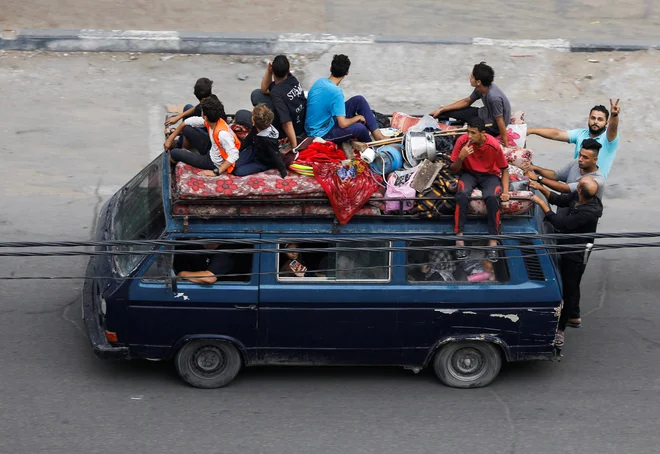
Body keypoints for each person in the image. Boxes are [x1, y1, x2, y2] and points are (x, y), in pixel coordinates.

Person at [530, 177, 603, 345]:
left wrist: (541, 203)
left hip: (574, 254)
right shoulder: (580, 197)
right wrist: (538, 186)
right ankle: (574, 316)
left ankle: (560, 330)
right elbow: (559, 199)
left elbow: (562, 224)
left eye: (577, 187)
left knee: (569, 290)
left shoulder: (588, 212)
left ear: (580, 191)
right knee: (566, 284)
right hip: (564, 247)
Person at [450, 117, 510, 262]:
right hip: (469, 173)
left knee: (492, 197)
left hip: (489, 175)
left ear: (482, 133)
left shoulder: (493, 145)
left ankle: (493, 240)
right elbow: (453, 169)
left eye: (473, 133)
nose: (469, 136)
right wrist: (461, 158)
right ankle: (459, 239)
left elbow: (505, 169)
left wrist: (506, 191)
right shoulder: (462, 141)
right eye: (468, 132)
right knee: (462, 194)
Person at [526, 100, 620, 179]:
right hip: (573, 182)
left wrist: (614, 116)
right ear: (588, 118)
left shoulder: (609, 139)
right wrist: (530, 130)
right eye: (593, 118)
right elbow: (556, 134)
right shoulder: (580, 134)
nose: (595, 122)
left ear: (606, 122)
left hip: (591, 189)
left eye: (600, 119)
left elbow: (613, 129)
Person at [304, 54, 386, 144]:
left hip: (326, 122)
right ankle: (372, 148)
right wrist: (357, 118)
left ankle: (379, 136)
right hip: (321, 134)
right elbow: (343, 124)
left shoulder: (320, 81)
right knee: (360, 128)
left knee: (359, 100)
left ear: (331, 68)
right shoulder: (336, 93)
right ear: (347, 72)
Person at [430, 62, 511, 147]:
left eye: (472, 77)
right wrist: (442, 109)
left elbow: (500, 120)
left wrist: (506, 144)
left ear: (478, 82)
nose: (469, 78)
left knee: (459, 139)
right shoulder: (480, 88)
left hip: (491, 126)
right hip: (482, 113)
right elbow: (467, 101)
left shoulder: (494, 97)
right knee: (445, 112)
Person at [164, 97, 240, 177]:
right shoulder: (215, 121)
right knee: (187, 129)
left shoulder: (223, 134)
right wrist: (171, 138)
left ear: (205, 116)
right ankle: (184, 152)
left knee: (174, 153)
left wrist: (216, 172)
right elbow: (188, 122)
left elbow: (234, 155)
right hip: (212, 149)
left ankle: (174, 168)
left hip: (212, 162)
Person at [251, 55, 307, 148]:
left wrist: (294, 146)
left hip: (293, 129)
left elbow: (286, 123)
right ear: (288, 70)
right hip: (301, 119)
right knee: (258, 93)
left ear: (273, 70)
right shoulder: (292, 79)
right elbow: (264, 89)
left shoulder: (276, 92)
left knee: (256, 96)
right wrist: (269, 71)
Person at [524, 138, 606, 200]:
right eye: (580, 155)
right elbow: (555, 175)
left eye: (585, 157)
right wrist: (535, 168)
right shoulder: (576, 164)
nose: (580, 159)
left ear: (595, 160)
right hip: (564, 211)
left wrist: (538, 178)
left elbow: (564, 188)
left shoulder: (596, 180)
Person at [233, 104, 288, 178]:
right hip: (254, 150)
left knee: (237, 171)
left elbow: (276, 156)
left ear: (253, 120)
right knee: (233, 164)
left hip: (263, 162)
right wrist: (237, 150)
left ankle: (261, 167)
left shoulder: (268, 140)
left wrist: (283, 172)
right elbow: (248, 140)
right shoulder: (256, 127)